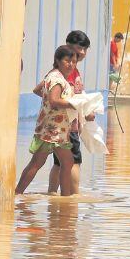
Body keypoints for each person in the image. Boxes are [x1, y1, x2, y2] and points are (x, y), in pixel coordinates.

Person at [16, 45, 79, 196]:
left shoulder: (53, 76)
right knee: (53, 162)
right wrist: (74, 103)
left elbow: (38, 90)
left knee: (50, 162)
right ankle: (65, 198)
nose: (71, 64)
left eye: (74, 61)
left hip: (53, 128)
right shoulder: (57, 79)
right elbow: (53, 100)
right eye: (67, 60)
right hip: (52, 130)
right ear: (58, 60)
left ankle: (18, 194)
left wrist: (50, 103)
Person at [38, 30, 91, 194]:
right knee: (74, 162)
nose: (82, 52)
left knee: (58, 163)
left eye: (85, 49)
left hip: (63, 125)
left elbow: (42, 90)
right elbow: (45, 92)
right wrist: (69, 106)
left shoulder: (69, 70)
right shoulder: (64, 71)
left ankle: (52, 194)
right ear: (68, 45)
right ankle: (73, 199)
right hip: (67, 126)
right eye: (79, 48)